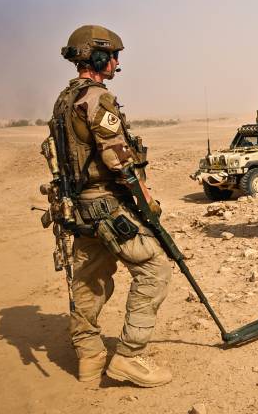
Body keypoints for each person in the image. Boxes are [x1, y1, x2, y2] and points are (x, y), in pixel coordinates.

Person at [51, 25, 173, 387]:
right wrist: (147, 201)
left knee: (89, 280)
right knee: (154, 267)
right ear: (98, 57)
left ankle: (89, 358)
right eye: (113, 56)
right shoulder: (96, 98)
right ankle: (129, 358)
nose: (117, 63)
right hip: (106, 202)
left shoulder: (64, 99)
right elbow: (119, 159)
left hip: (80, 206)